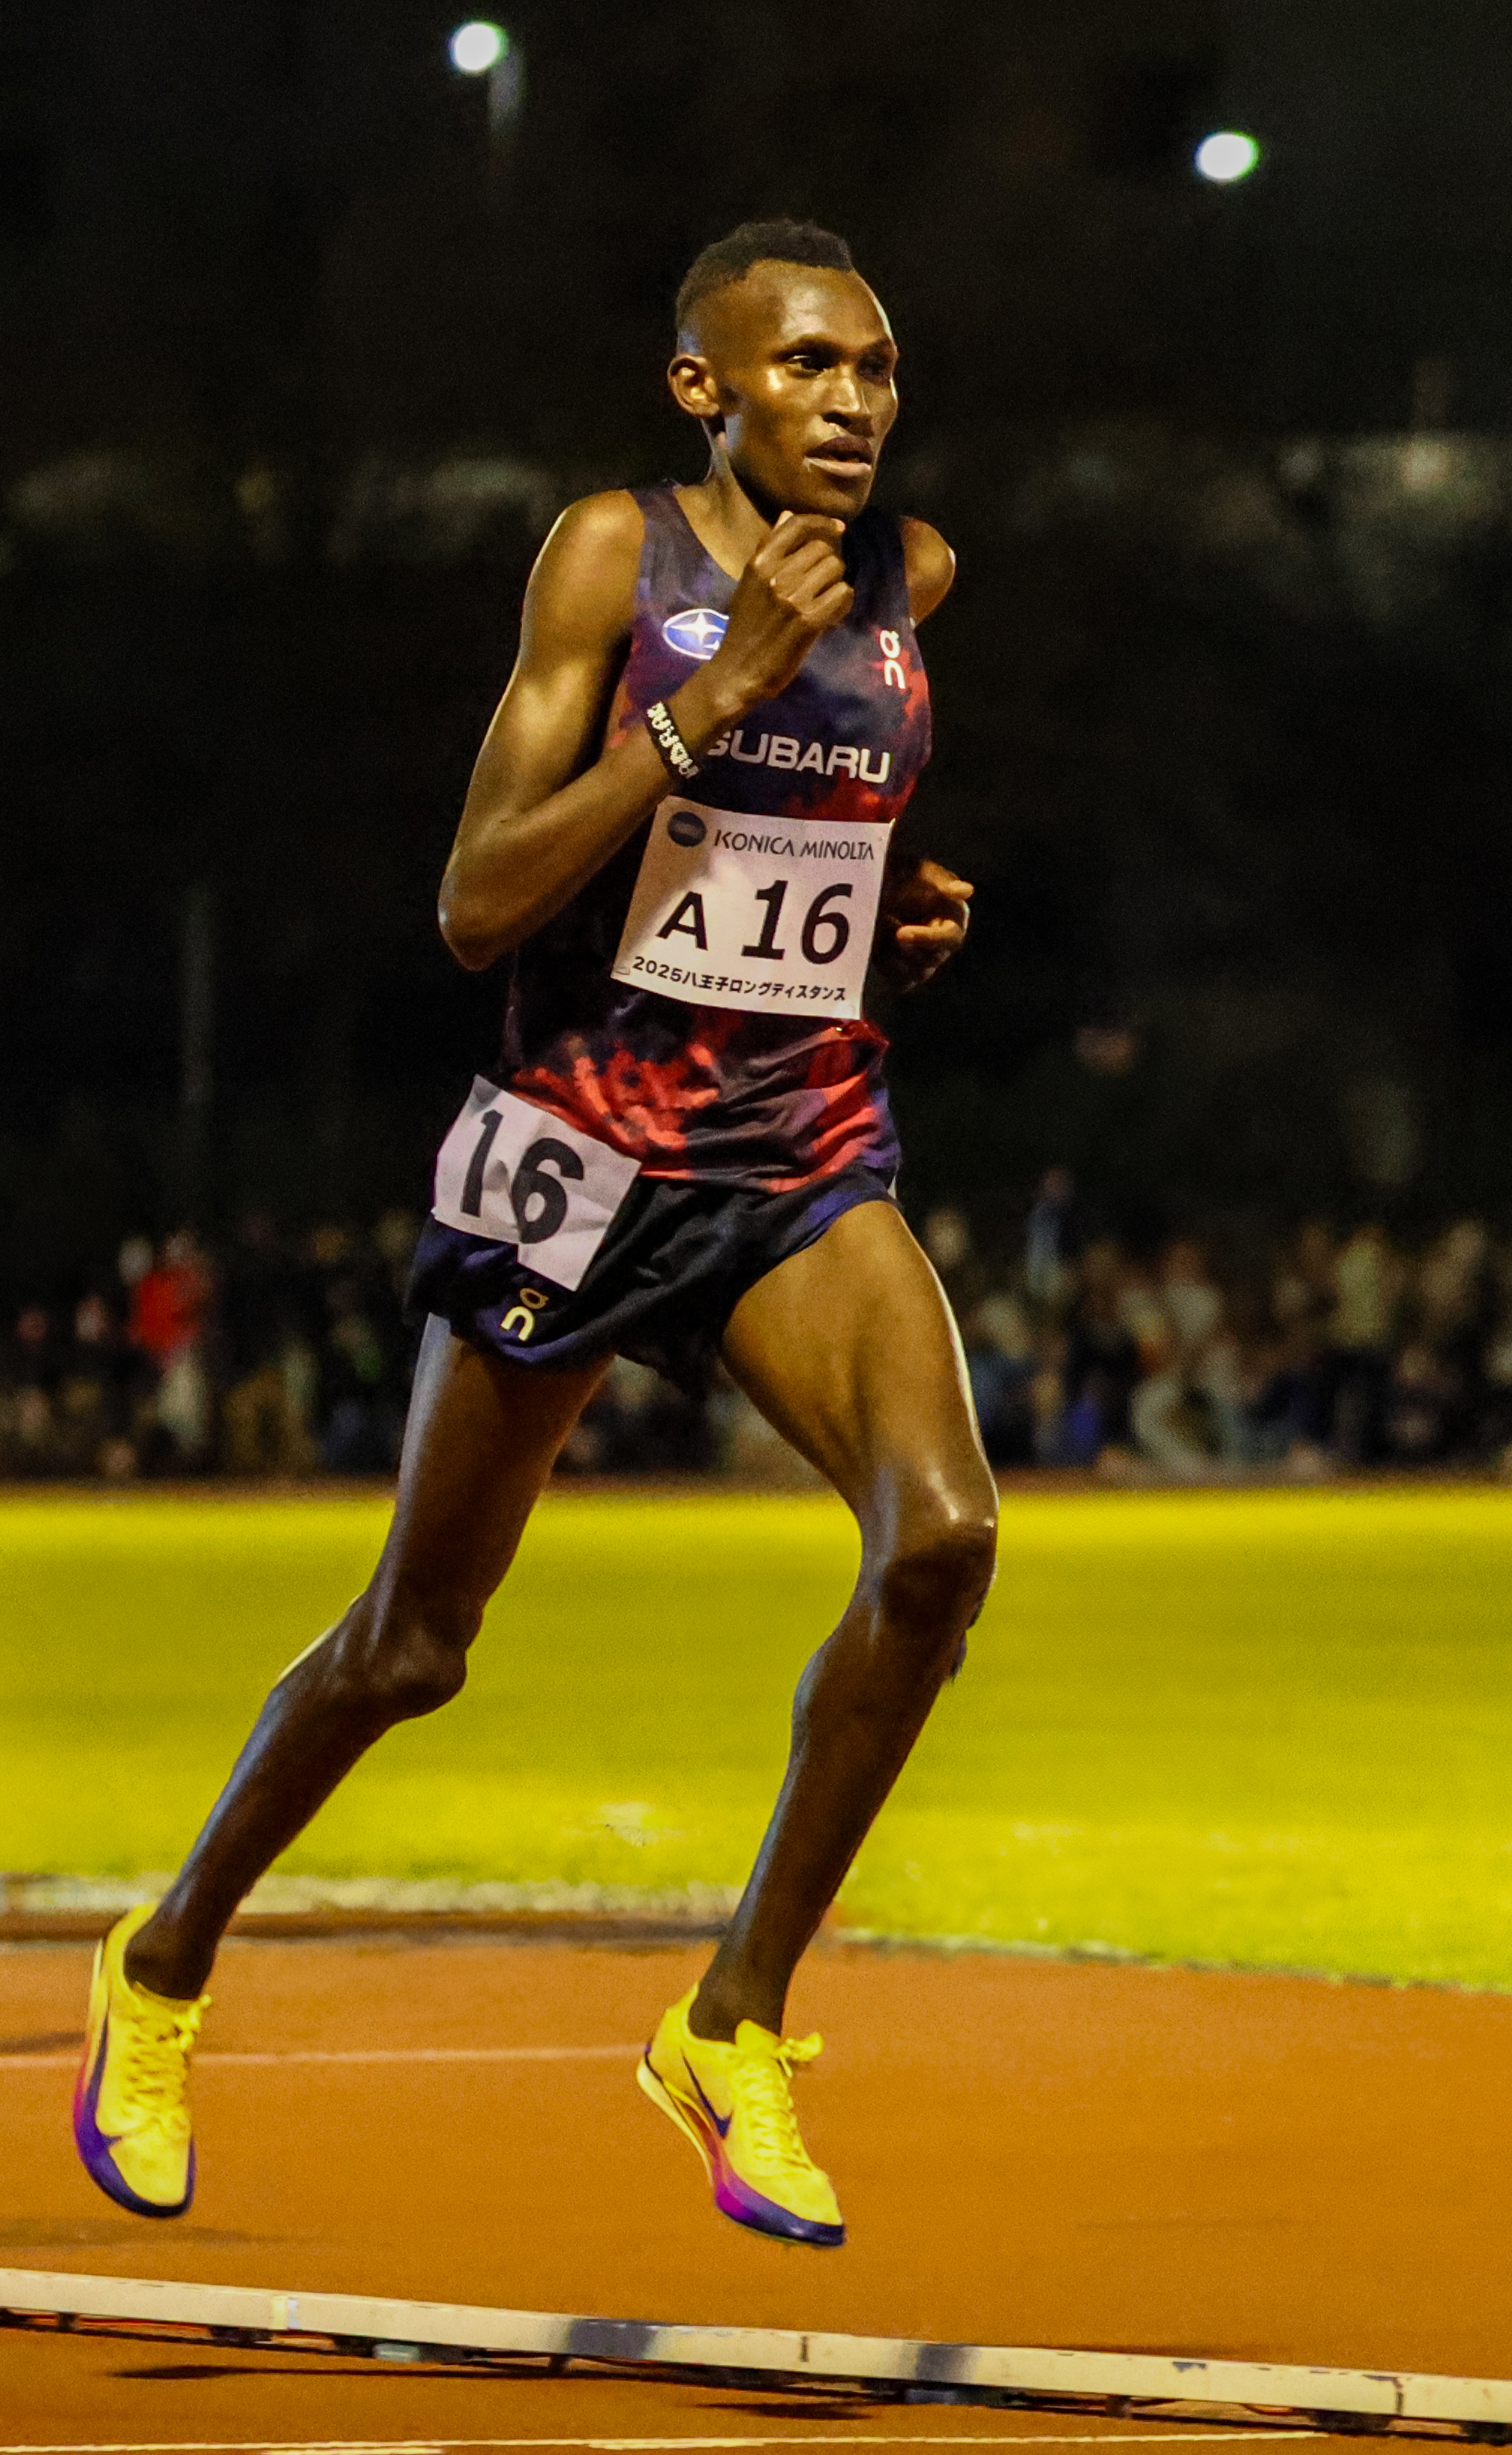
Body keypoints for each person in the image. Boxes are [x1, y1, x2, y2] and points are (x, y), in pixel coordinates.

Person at [74, 218, 996, 2249]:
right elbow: (481, 903)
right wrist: (711, 696)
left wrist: (915, 910)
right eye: (812, 365)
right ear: (708, 386)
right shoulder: (616, 559)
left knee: (941, 1539)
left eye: (880, 370)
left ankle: (731, 2015)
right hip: (577, 1147)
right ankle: (160, 1958)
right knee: (416, 1641)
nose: (854, 402)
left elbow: (826, 846)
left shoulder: (914, 578)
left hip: (795, 1145)